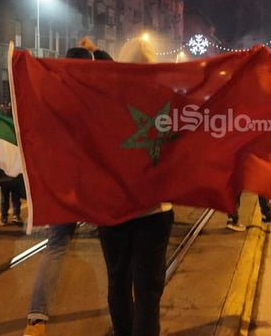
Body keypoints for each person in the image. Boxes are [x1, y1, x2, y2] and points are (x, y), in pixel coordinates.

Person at [21, 41, 108, 336]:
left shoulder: (51, 94)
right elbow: (118, 76)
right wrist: (99, 54)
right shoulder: (95, 94)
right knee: (115, 242)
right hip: (95, 180)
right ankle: (124, 307)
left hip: (62, 180)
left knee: (56, 245)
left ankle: (36, 319)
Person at [96, 37, 173, 336]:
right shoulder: (168, 101)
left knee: (117, 281)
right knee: (148, 293)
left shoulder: (105, 103)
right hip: (154, 209)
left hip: (112, 209)